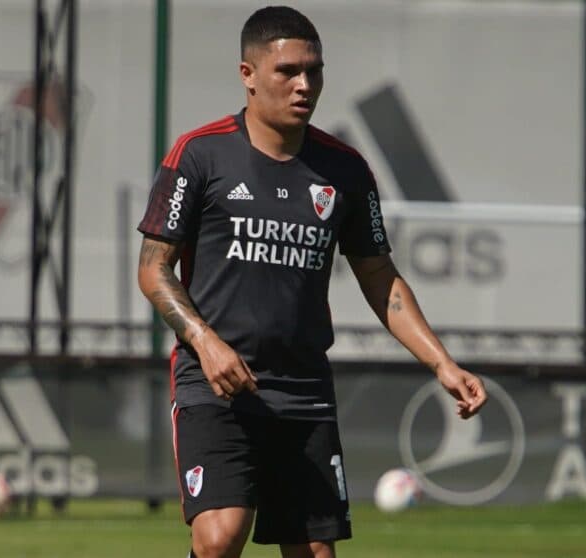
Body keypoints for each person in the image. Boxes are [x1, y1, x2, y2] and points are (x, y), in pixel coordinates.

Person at [137, 6, 488, 558]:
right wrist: (205, 343)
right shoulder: (199, 155)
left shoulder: (345, 170)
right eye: (288, 71)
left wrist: (442, 363)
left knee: (315, 554)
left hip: (302, 390)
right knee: (220, 535)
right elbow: (153, 269)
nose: (305, 84)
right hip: (215, 385)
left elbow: (380, 278)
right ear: (248, 75)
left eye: (315, 71)